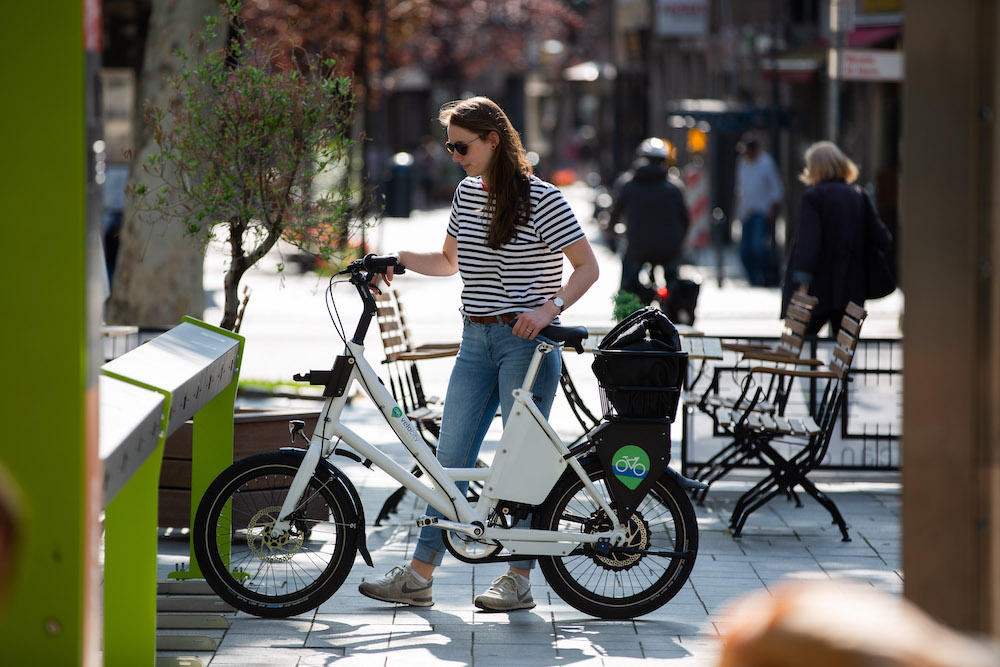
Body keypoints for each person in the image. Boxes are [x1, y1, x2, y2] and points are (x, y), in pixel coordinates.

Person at [358, 96, 600, 612]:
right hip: (475, 341)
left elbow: (586, 267)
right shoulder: (467, 194)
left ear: (493, 140)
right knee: (447, 462)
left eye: (462, 146)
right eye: (450, 146)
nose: (454, 155)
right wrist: (396, 257)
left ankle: (518, 578)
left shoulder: (543, 199)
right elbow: (449, 263)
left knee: (523, 463)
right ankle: (419, 576)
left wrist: (548, 308)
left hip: (527, 346)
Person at [780, 141, 893, 335]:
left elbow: (808, 243)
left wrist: (802, 283)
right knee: (843, 352)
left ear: (815, 168)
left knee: (805, 344)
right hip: (852, 288)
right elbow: (883, 239)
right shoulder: (859, 196)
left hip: (819, 288)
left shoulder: (814, 197)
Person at [611, 137, 690, 303]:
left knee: (627, 281)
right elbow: (686, 220)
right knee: (672, 278)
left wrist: (611, 230)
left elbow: (615, 215)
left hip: (637, 248)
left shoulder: (628, 184)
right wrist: (679, 241)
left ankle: (625, 311)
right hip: (669, 249)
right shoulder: (675, 187)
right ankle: (674, 304)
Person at [735, 136, 785, 286]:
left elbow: (776, 189)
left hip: (761, 211)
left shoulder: (766, 163)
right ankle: (753, 279)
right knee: (744, 249)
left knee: (758, 246)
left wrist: (772, 209)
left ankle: (765, 276)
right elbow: (739, 188)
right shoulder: (742, 163)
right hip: (746, 211)